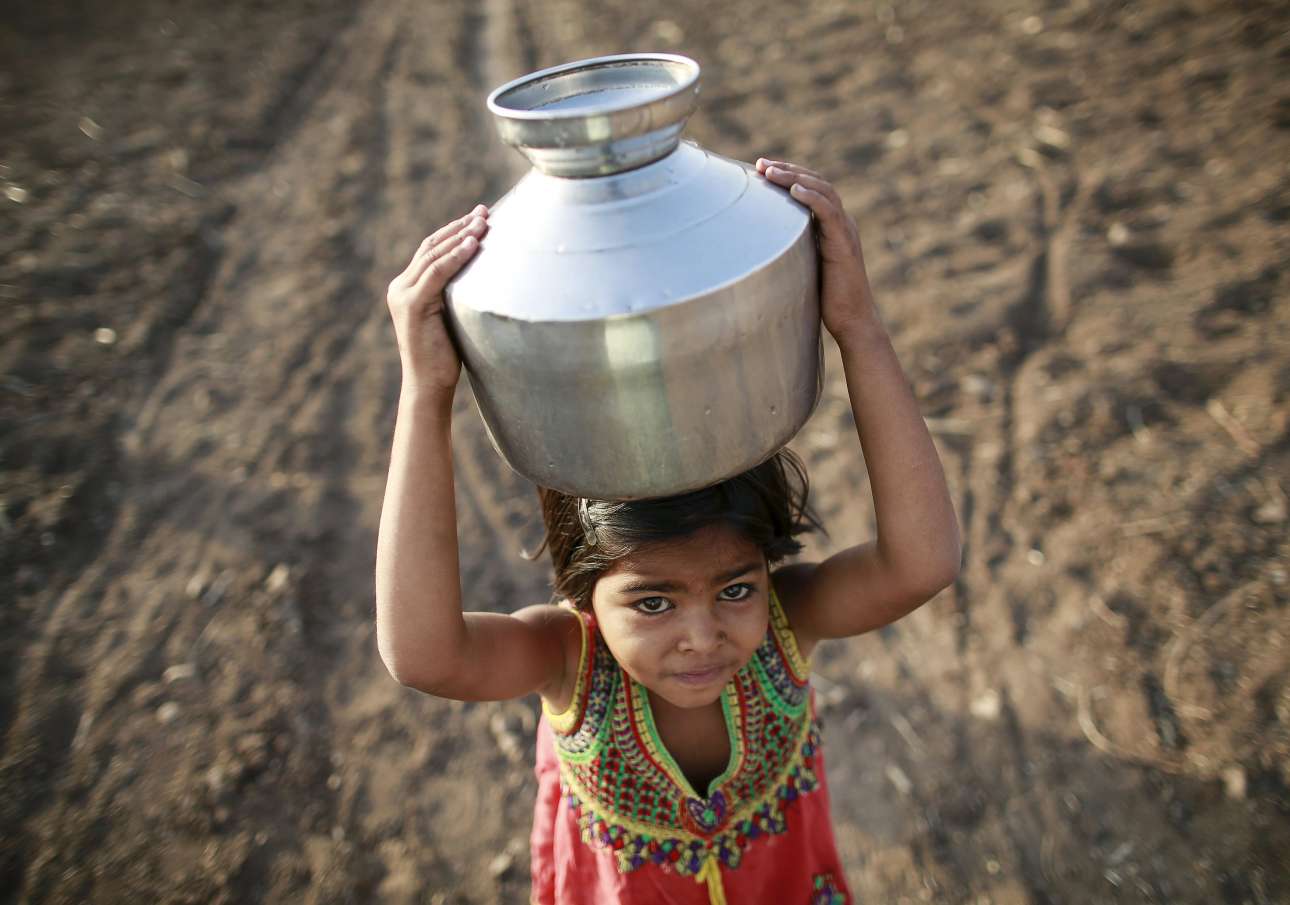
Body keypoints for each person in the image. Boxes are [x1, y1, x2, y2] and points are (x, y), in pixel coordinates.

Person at [377, 158, 962, 904]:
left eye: (736, 587)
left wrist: (859, 329)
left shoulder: (790, 621)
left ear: (768, 564)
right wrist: (424, 392)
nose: (702, 635)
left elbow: (923, 562)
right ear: (580, 588)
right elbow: (424, 655)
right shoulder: (567, 659)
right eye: (653, 601)